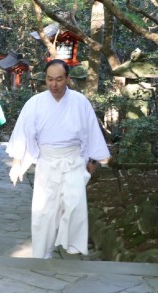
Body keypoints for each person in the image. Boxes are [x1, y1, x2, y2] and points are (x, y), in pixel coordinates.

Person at [8, 60, 110, 259]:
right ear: (45, 79)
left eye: (59, 79)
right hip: (47, 162)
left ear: (68, 79)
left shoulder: (80, 102)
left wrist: (93, 159)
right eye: (50, 79)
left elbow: (90, 132)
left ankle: (73, 245)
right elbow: (23, 133)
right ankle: (42, 252)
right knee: (44, 212)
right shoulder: (35, 103)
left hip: (73, 160)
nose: (54, 84)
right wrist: (17, 164)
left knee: (74, 205)